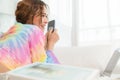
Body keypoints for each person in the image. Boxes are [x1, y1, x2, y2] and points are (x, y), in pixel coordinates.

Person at [0, 0, 59, 72]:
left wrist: (44, 46)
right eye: (43, 15)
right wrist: (51, 44)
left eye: (46, 16)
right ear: (29, 15)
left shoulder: (11, 31)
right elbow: (46, 70)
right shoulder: (34, 30)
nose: (46, 21)